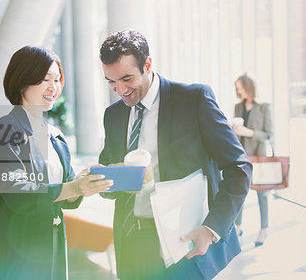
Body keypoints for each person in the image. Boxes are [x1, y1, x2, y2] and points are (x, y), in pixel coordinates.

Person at [98, 30, 252, 280]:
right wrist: (111, 180)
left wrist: (212, 228)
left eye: (127, 79)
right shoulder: (113, 115)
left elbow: (239, 167)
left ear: (148, 64)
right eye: (111, 82)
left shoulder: (193, 100)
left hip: (185, 244)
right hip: (132, 245)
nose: (120, 90)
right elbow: (107, 177)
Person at [0, 46, 113, 280]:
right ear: (23, 80)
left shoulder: (55, 136)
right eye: (44, 79)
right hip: (16, 254)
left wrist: (83, 182)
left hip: (51, 249)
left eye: (56, 79)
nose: (53, 87)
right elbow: (17, 193)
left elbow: (66, 196)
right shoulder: (5, 129)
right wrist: (73, 187)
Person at [233, 73, 272, 247]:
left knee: (262, 194)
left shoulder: (263, 107)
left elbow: (268, 134)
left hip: (259, 156)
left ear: (249, 87)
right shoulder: (238, 107)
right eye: (237, 87)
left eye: (241, 87)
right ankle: (238, 226)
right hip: (242, 156)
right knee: (240, 192)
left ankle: (264, 229)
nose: (239, 90)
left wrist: (248, 132)